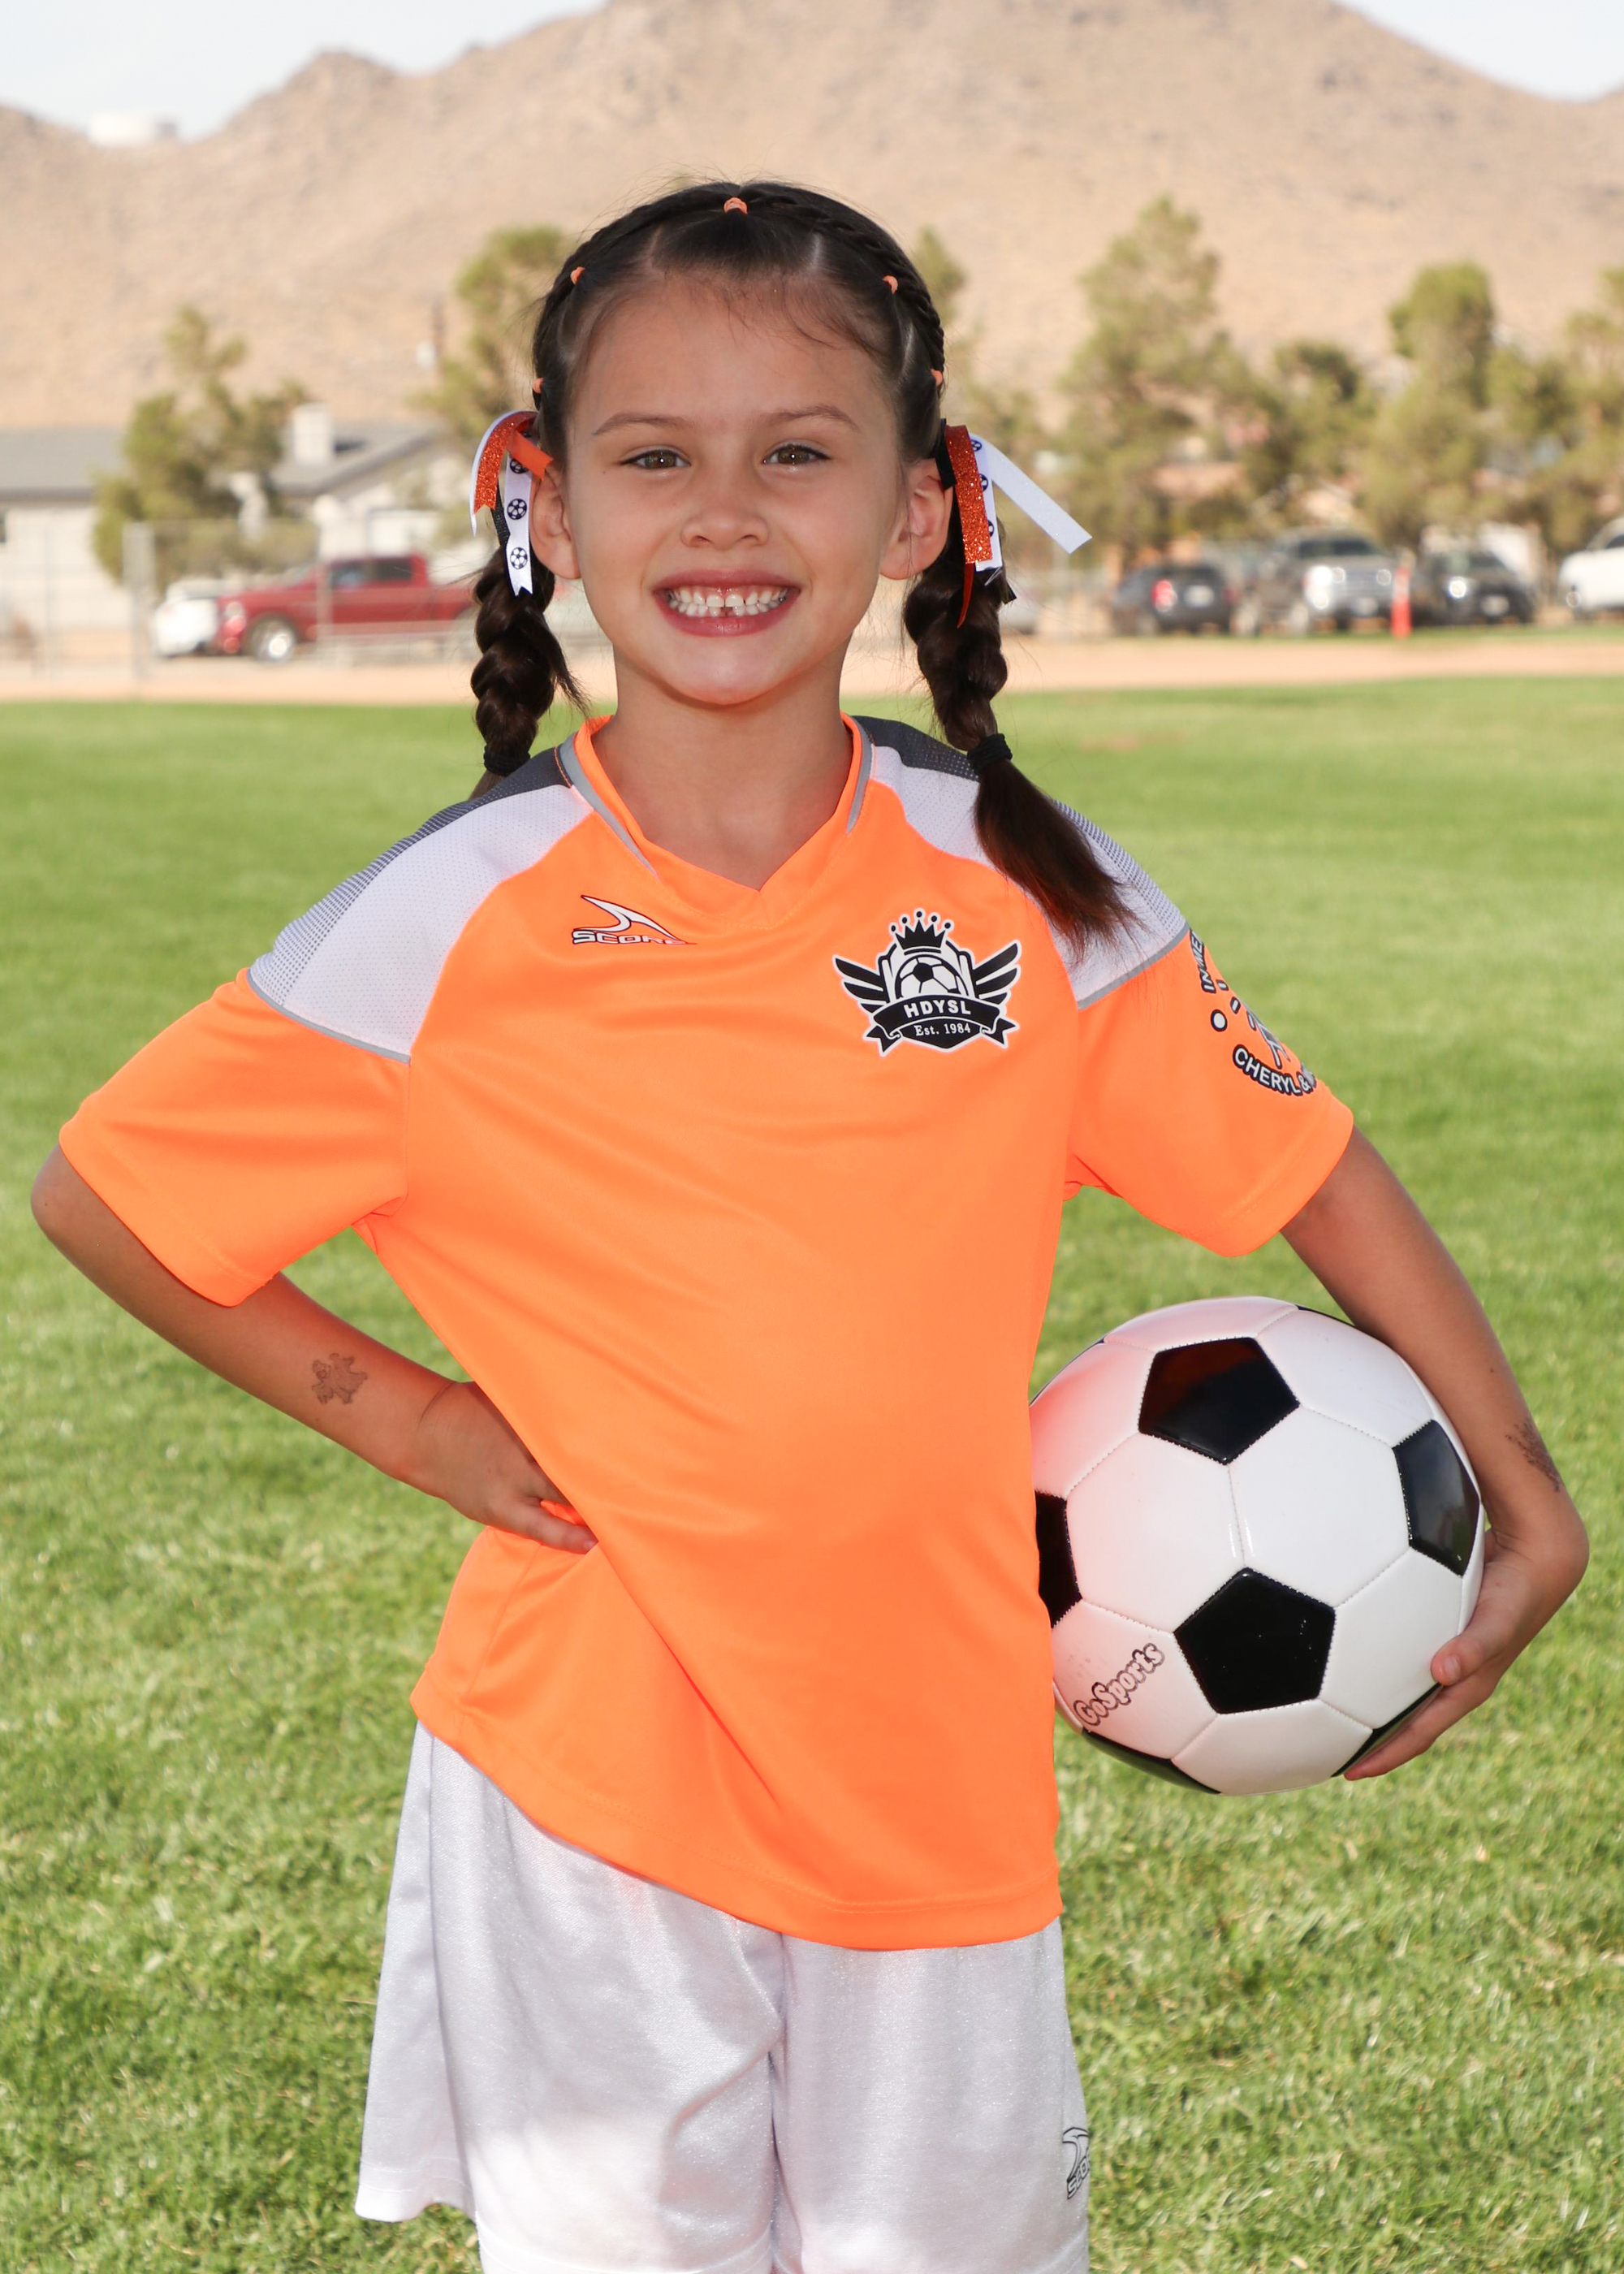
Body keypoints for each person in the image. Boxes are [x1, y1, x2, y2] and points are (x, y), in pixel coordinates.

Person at [32, 181, 1587, 2274]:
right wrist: (412, 1421)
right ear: (546, 505)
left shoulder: (1022, 881)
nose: (724, 514)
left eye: (797, 451)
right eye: (652, 456)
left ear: (924, 505)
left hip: (935, 1800)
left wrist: (1520, 1480)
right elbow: (113, 1193)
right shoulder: (449, 919)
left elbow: (1305, 1160)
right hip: (583, 1801)